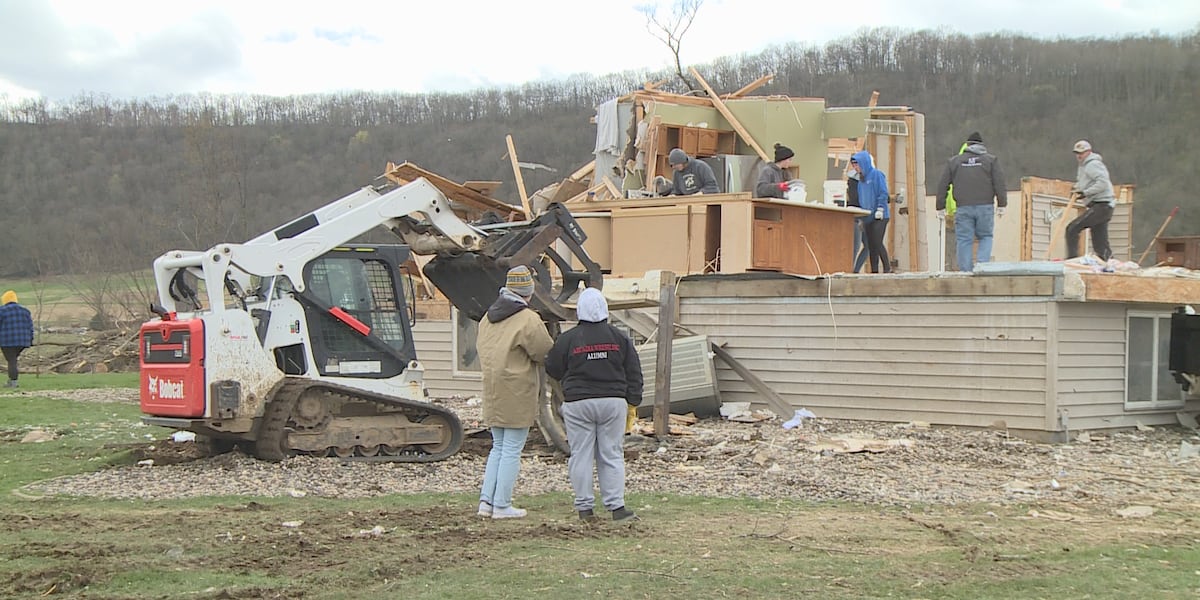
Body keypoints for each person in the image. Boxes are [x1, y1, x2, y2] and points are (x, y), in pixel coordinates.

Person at [545, 287, 643, 523]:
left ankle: (585, 508)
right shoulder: (619, 338)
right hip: (613, 402)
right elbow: (634, 371)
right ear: (605, 310)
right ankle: (617, 508)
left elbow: (553, 368)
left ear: (579, 311)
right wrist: (633, 401)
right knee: (611, 454)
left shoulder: (568, 339)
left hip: (578, 403)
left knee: (581, 455)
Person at [475, 265, 554, 519]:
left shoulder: (488, 317)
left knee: (497, 447)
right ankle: (502, 504)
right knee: (511, 448)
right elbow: (543, 352)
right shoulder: (528, 319)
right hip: (517, 391)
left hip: (493, 389)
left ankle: (486, 502)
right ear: (527, 293)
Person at [935, 132, 1008, 271]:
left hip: (963, 208)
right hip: (985, 207)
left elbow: (943, 184)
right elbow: (999, 183)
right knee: (985, 236)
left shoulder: (954, 162)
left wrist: (940, 206)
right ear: (982, 145)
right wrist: (1002, 204)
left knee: (964, 239)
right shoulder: (991, 161)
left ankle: (965, 272)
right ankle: (982, 268)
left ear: (967, 145)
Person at [1065, 140, 1116, 261]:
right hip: (1102, 206)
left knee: (1072, 229)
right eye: (1077, 153)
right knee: (1100, 242)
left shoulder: (1092, 164)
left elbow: (1103, 183)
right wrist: (1077, 189)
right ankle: (1108, 262)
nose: (1079, 155)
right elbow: (1085, 183)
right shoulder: (1083, 166)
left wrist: (1085, 193)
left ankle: (1072, 259)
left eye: (1081, 153)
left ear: (1089, 152)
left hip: (1102, 205)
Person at [850, 151, 892, 273]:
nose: (856, 168)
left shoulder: (877, 175)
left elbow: (883, 192)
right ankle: (874, 271)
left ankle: (887, 269)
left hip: (880, 215)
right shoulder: (861, 181)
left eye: (857, 165)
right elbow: (862, 200)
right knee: (871, 245)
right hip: (868, 217)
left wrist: (880, 207)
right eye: (854, 166)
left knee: (877, 242)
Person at [0, 290, 34, 388]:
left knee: (11, 360)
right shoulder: (25, 311)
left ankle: (13, 383)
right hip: (23, 341)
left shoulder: (2, 311)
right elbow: (30, 327)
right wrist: (30, 340)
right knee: (13, 360)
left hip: (6, 341)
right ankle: (12, 381)